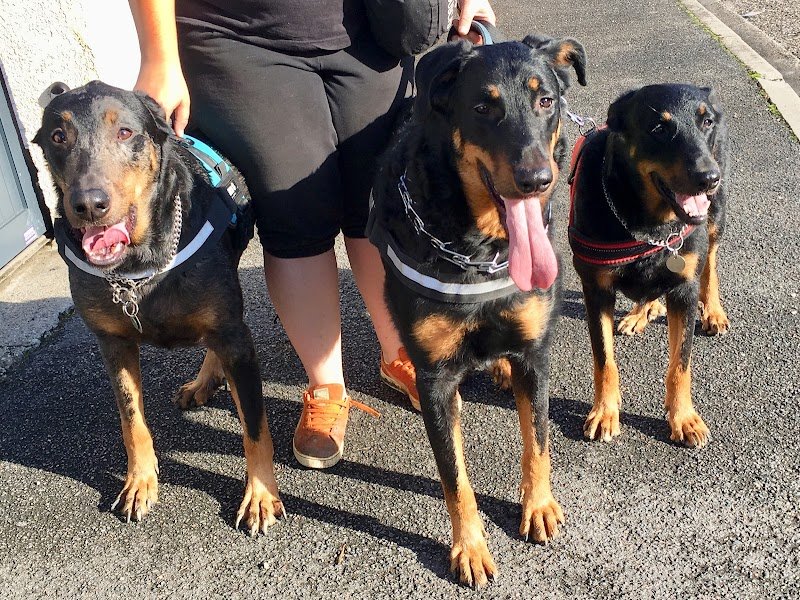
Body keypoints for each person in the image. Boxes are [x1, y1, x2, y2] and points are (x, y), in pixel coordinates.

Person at [128, 0, 496, 469]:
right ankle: (327, 386)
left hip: (370, 28)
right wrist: (159, 55)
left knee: (378, 200)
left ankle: (397, 351)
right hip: (239, 37)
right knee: (297, 213)